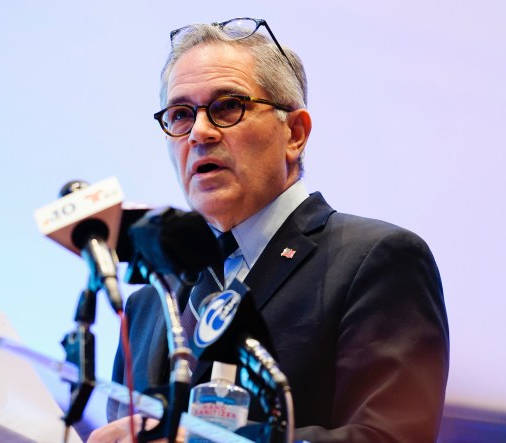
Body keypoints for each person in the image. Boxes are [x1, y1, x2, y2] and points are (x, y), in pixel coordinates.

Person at [90, 18, 449, 443]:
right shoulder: (150, 302)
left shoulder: (377, 260)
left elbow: (389, 438)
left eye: (227, 106)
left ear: (295, 134)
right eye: (181, 115)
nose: (200, 133)